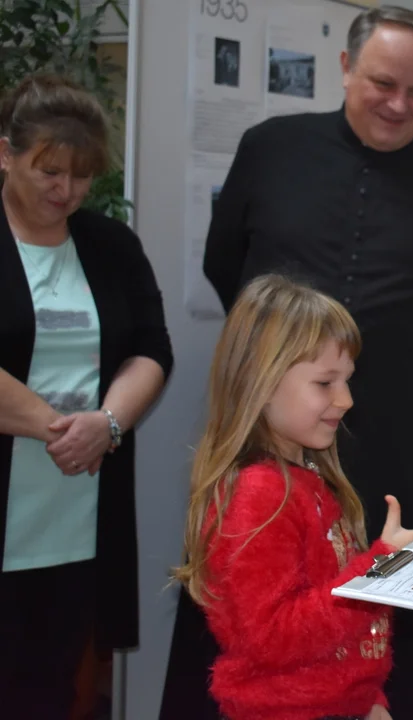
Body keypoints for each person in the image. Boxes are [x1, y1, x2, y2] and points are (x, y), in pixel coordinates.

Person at [167, 7, 413, 718]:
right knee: (261, 610)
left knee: (394, 604)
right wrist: (287, 372)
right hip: (272, 440)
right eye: (383, 82)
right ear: (346, 68)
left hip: (398, 441)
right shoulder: (270, 147)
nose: (399, 105)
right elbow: (226, 267)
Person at [174, 275, 413, 720]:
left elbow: (336, 631)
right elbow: (273, 638)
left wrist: (369, 699)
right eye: (325, 383)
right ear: (260, 384)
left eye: (347, 381)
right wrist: (379, 572)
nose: (344, 399)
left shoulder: (306, 480)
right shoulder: (258, 495)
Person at [0, 74, 173, 717]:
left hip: (75, 520)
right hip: (21, 500)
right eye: (49, 171)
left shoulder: (109, 245)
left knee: (49, 689)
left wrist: (106, 423)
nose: (64, 190)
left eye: (80, 176)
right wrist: (60, 429)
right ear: (4, 153)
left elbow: (153, 349)